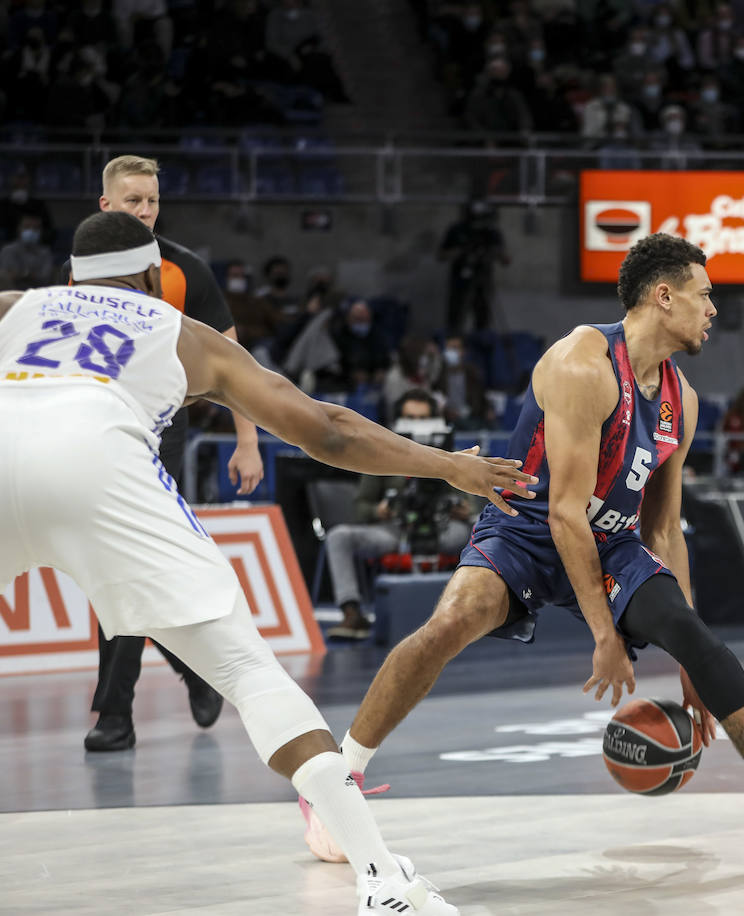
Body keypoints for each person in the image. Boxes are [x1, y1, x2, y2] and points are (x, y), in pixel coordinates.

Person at [0, 210, 537, 913]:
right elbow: (330, 432)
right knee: (249, 674)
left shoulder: (14, 308)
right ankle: (382, 881)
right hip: (103, 472)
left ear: (68, 276)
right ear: (153, 278)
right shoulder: (181, 333)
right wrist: (447, 467)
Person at [299, 233, 744, 870]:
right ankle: (337, 785)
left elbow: (663, 530)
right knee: (450, 623)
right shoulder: (583, 363)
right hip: (525, 529)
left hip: (613, 543)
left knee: (695, 634)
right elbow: (563, 513)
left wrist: (688, 653)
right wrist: (604, 634)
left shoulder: (679, 402)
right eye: (705, 295)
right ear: (665, 296)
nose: (714, 310)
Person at [77, 154, 265, 753]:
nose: (145, 211)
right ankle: (194, 671)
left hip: (161, 434)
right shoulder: (77, 270)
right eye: (133, 201)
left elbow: (237, 366)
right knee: (122, 568)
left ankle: (115, 714)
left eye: (152, 201)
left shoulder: (185, 270)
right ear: (106, 205)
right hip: (92, 431)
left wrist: (246, 440)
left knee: (125, 563)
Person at [324, 389, 475, 640]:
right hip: (395, 529)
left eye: (423, 419)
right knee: (339, 536)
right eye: (410, 419)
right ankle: (352, 614)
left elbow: (471, 505)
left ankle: (486, 607)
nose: (417, 426)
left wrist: (464, 509)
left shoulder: (453, 454)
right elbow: (361, 506)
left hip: (445, 527)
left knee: (488, 526)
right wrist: (379, 510)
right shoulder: (378, 456)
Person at [438, 198, 510, 334]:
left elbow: (506, 260)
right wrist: (462, 250)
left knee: (482, 317)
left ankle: (480, 346)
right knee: (455, 318)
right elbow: (441, 255)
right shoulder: (457, 230)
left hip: (482, 280)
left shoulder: (491, 233)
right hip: (460, 280)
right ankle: (453, 346)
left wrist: (491, 251)